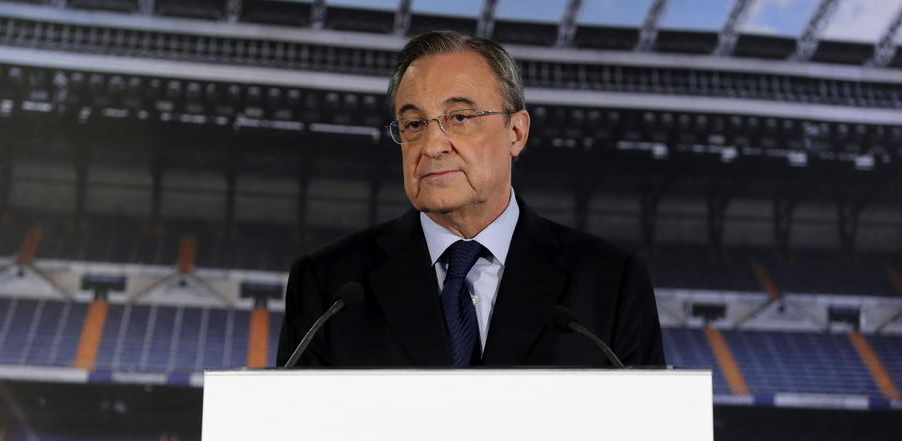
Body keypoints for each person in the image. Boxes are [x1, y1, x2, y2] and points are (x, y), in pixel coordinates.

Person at [277, 30, 664, 367]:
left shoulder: (612, 283)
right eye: (414, 124)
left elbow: (649, 426)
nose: (432, 146)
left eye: (459, 118)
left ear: (516, 132)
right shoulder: (329, 287)